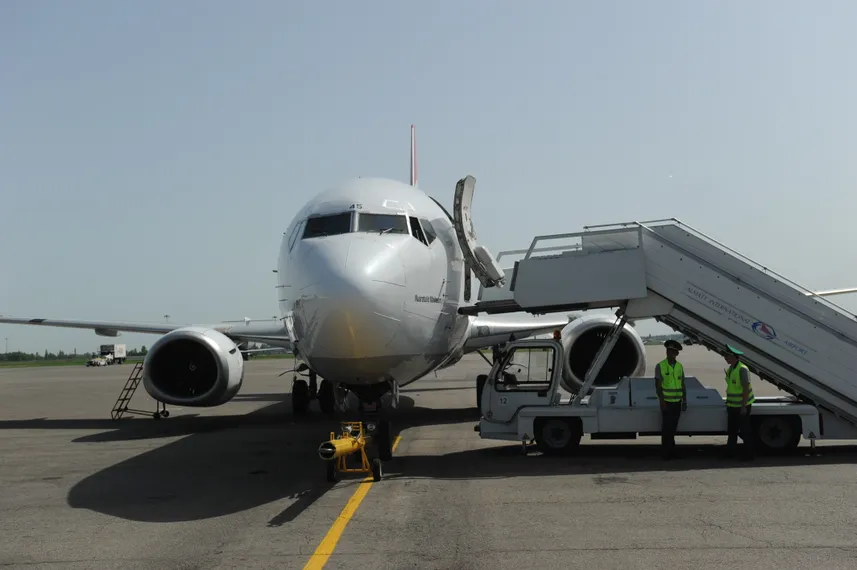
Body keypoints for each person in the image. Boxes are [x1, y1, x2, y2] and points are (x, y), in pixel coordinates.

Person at [655, 339, 686, 459]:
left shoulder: (679, 366)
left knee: (673, 428)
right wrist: (662, 401)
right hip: (667, 402)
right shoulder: (660, 366)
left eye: (672, 351)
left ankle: (671, 450)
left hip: (677, 402)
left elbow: (682, 384)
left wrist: (684, 400)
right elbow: (658, 386)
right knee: (666, 428)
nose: (669, 353)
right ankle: (666, 453)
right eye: (668, 351)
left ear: (676, 353)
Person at [723, 344, 755, 460]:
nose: (726, 358)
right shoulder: (731, 369)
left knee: (745, 431)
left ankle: (749, 455)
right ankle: (730, 454)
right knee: (732, 431)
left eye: (728, 356)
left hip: (741, 406)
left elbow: (745, 388)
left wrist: (743, 406)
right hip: (732, 405)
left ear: (735, 357)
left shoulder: (742, 369)